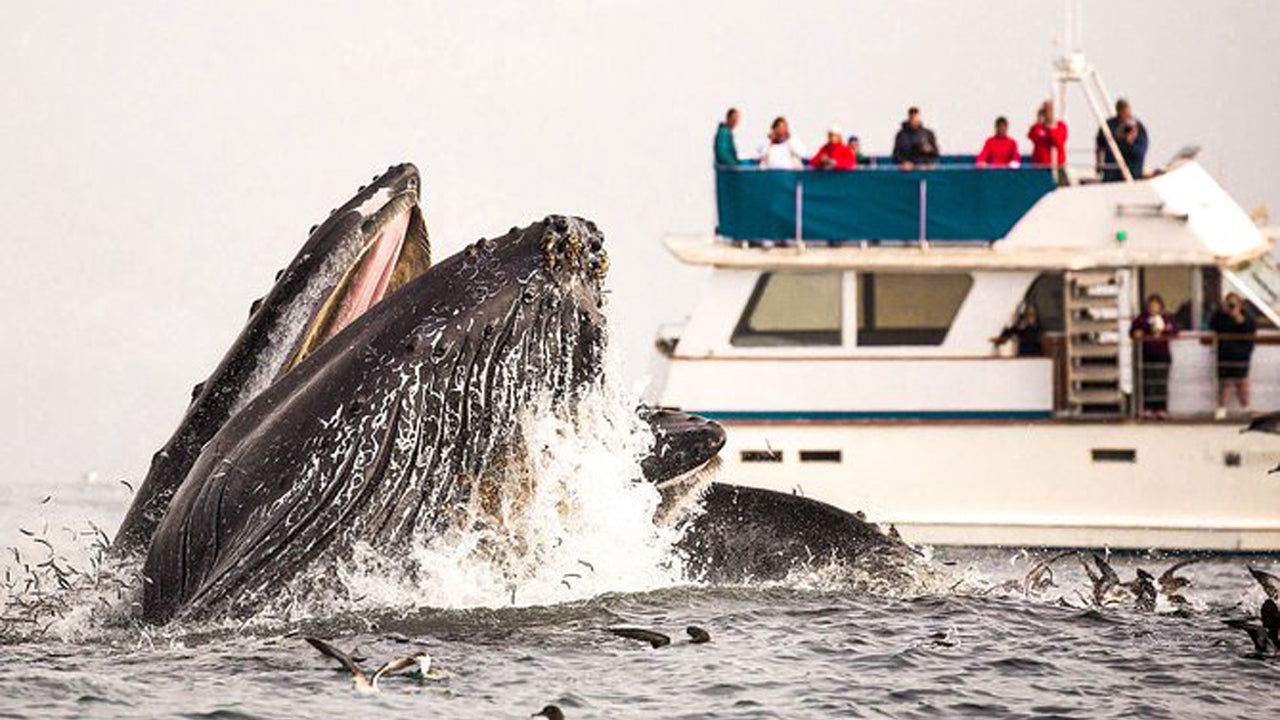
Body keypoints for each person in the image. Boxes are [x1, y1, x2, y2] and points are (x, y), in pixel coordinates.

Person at [1208, 292, 1256, 419]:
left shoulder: (1246, 315)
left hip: (1242, 354)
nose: (1231, 306)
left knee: (1242, 382)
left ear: (1240, 304)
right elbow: (1212, 325)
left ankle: (1245, 407)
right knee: (1224, 382)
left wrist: (1238, 316)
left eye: (1233, 304)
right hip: (1224, 353)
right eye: (1229, 303)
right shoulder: (1220, 316)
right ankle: (1222, 408)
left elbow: (1250, 329)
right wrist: (1221, 311)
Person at [1130, 294, 1178, 419]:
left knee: (1161, 382)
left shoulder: (1166, 318)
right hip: (1146, 354)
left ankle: (1161, 409)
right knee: (1147, 382)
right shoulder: (1142, 319)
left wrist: (1163, 331)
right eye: (1151, 306)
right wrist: (1142, 332)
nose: (1153, 308)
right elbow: (1133, 331)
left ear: (1160, 306)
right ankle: (1147, 408)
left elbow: (1175, 331)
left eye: (1156, 306)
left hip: (1162, 354)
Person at [1096, 98, 1149, 181]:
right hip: (1112, 173)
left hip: (1132, 172)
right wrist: (1099, 164)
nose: (1126, 115)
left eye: (1127, 112)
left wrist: (1130, 141)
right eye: (1123, 112)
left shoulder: (1137, 127)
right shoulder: (1109, 126)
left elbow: (1140, 152)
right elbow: (1100, 146)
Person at [1027, 100, 1068, 166]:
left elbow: (1057, 142)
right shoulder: (1037, 127)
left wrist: (1051, 129)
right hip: (1040, 164)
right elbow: (1032, 136)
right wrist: (1039, 122)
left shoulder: (1060, 126)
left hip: (1057, 164)